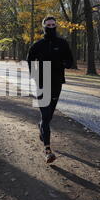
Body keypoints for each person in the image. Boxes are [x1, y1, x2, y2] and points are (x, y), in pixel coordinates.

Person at [27, 16, 74, 163]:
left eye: (53, 25)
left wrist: (67, 63)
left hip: (57, 82)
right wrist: (34, 75)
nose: (51, 27)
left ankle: (41, 126)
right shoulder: (38, 44)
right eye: (48, 25)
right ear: (44, 27)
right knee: (46, 116)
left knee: (48, 116)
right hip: (42, 82)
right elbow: (29, 59)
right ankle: (48, 150)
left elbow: (70, 60)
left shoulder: (63, 43)